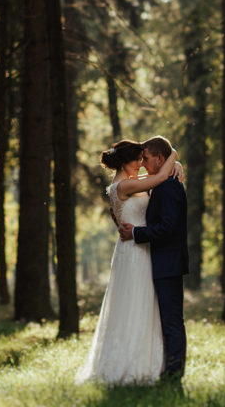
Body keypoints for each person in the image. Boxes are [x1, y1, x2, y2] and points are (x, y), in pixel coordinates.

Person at [75, 139, 181, 386]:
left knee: (144, 305)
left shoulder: (126, 182)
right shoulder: (125, 185)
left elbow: (159, 173)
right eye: (138, 159)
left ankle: (149, 361)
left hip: (137, 248)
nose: (142, 164)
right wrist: (173, 153)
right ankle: (131, 365)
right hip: (135, 252)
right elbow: (159, 177)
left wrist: (179, 165)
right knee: (135, 304)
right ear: (126, 162)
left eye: (144, 159)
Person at [118, 135, 189, 383]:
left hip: (168, 262)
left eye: (147, 158)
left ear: (160, 158)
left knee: (171, 321)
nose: (144, 164)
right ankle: (166, 367)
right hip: (160, 262)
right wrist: (175, 160)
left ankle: (174, 372)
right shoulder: (161, 183)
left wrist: (136, 233)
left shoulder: (168, 186)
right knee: (166, 320)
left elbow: (168, 227)